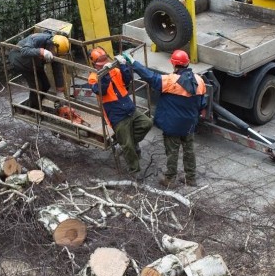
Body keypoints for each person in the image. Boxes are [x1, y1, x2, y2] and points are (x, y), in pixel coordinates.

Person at [117, 50, 207, 187]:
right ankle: (191, 178)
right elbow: (202, 104)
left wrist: (133, 62)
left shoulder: (170, 81)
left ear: (173, 63)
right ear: (187, 62)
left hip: (173, 125)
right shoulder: (199, 81)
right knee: (189, 150)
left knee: (172, 151)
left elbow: (150, 76)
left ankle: (170, 179)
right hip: (189, 124)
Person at [88, 47, 153, 175]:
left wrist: (124, 65)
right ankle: (135, 171)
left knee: (147, 123)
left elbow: (127, 80)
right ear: (94, 64)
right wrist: (105, 74)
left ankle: (130, 144)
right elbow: (101, 90)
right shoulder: (93, 77)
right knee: (127, 145)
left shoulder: (115, 70)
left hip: (128, 107)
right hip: (116, 115)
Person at [8, 32, 71, 111]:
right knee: (37, 87)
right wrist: (41, 51)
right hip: (20, 60)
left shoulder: (55, 48)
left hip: (35, 62)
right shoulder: (38, 39)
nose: (55, 55)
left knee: (46, 85)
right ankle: (34, 109)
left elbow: (57, 69)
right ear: (52, 45)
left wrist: (60, 92)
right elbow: (24, 51)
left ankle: (35, 102)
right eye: (54, 53)